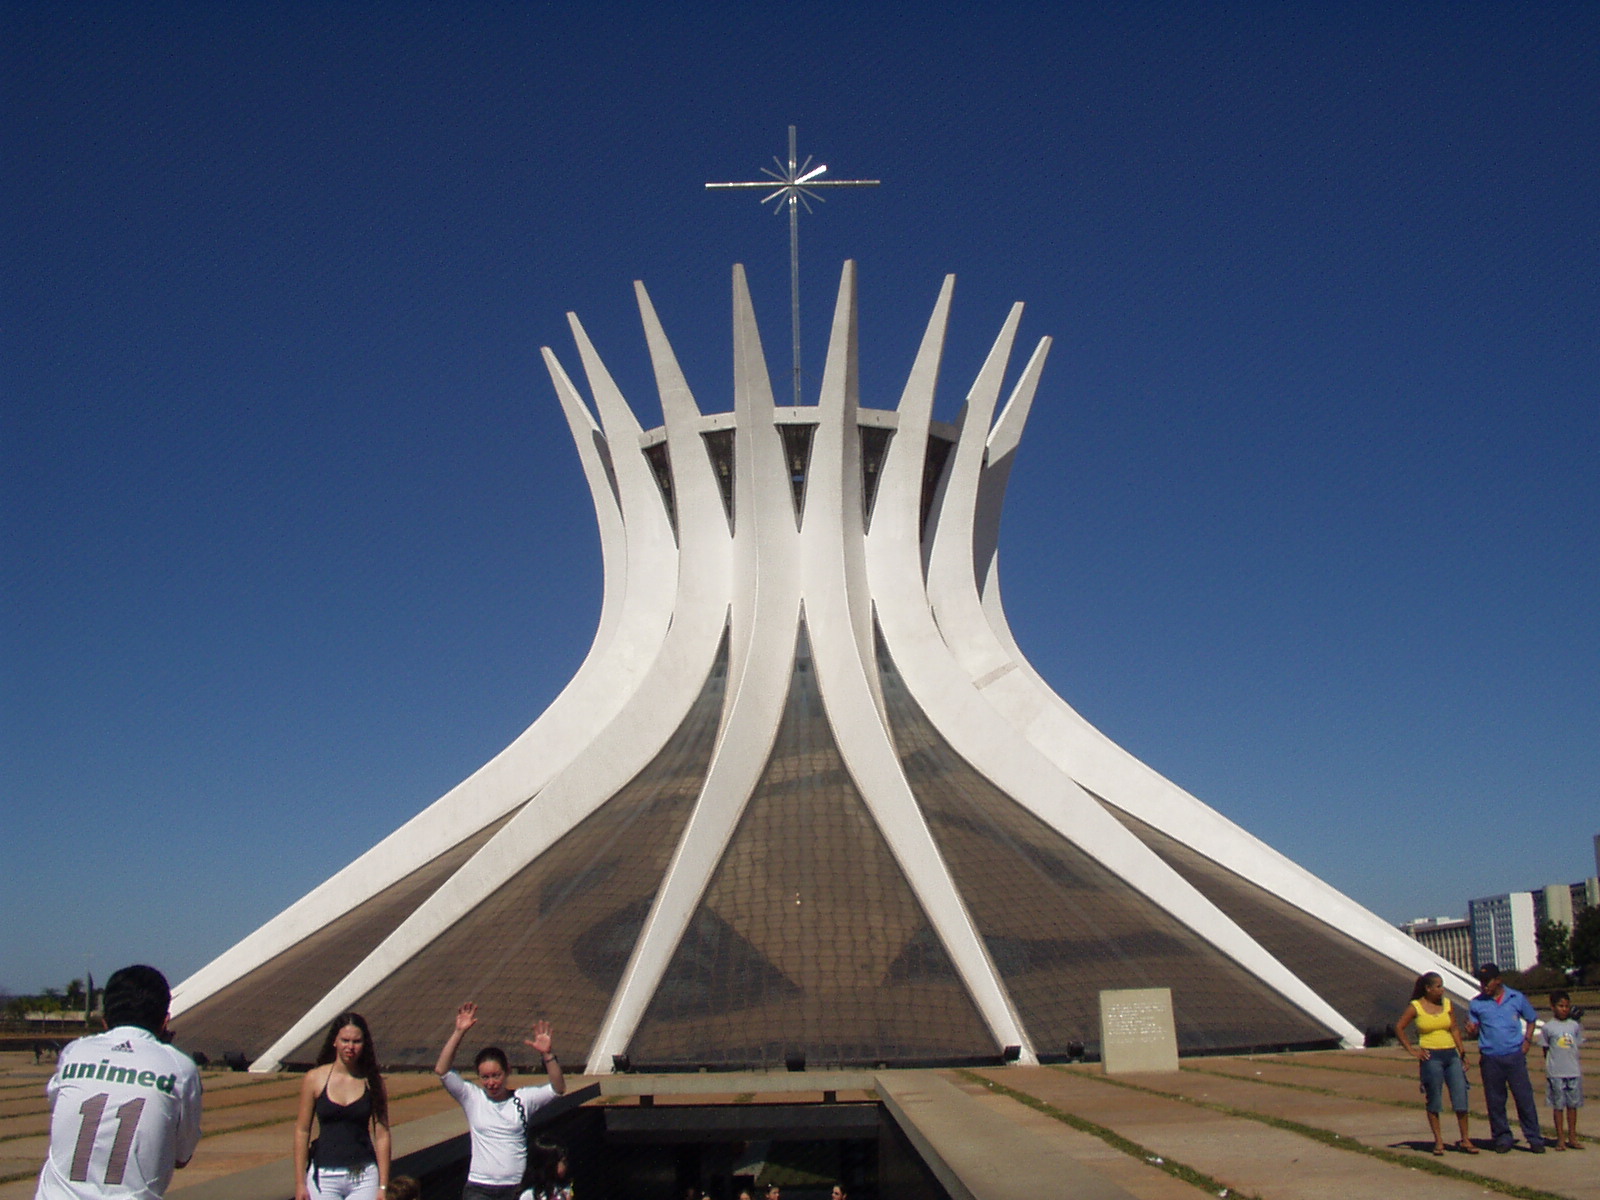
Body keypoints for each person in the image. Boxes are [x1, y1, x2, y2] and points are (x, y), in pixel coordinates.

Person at [35, 964, 203, 1199]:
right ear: (165, 1021)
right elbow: (182, 1157)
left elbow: (60, 1110)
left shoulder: (75, 1052)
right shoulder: (180, 1067)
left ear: (104, 1020)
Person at [434, 1001, 566, 1199]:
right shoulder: (472, 1097)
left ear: (507, 1071)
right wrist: (459, 1032)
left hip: (514, 1187)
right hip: (479, 1187)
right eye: (485, 1077)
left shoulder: (522, 1099)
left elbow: (558, 1088)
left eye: (496, 1075)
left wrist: (547, 1055)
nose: (491, 1083)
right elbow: (442, 1070)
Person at [294, 1012, 392, 1200]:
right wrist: (300, 1183)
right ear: (335, 1042)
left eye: (356, 1041)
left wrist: (383, 1185)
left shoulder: (373, 1082)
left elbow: (382, 1134)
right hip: (324, 1176)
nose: (350, 1047)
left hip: (364, 1176)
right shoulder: (315, 1078)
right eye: (345, 1040)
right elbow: (302, 1130)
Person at [1394, 972, 1477, 1155]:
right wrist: (1413, 1050)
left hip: (1451, 1054)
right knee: (1434, 1099)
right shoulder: (1416, 1007)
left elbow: (1454, 1028)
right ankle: (1438, 1141)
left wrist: (1462, 1051)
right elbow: (1399, 1027)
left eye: (1442, 986)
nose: (1442, 990)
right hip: (1431, 1056)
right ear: (1428, 988)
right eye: (1438, 986)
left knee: (1460, 1096)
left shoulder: (1447, 1004)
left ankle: (1465, 1139)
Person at [1465, 963, 1545, 1153]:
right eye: (1481, 982)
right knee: (1495, 1101)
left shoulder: (1516, 997)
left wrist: (1527, 1041)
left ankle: (1534, 1137)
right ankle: (1502, 1137)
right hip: (1491, 1057)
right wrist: (1472, 1031)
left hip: (1514, 1055)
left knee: (1524, 1098)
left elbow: (1532, 1019)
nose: (1484, 986)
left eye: (1488, 981)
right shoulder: (1477, 1003)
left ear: (1498, 980)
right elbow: (1473, 1029)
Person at [1537, 989, 1585, 1150]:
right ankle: (1560, 1139)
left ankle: (1572, 1136)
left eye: (1566, 1006)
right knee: (1558, 1106)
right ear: (1553, 1007)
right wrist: (1551, 1067)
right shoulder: (1548, 1028)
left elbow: (1576, 1044)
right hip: (1556, 1073)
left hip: (1573, 1072)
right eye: (1560, 1006)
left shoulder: (1574, 1025)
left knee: (1573, 1105)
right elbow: (1546, 1050)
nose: (1564, 1009)